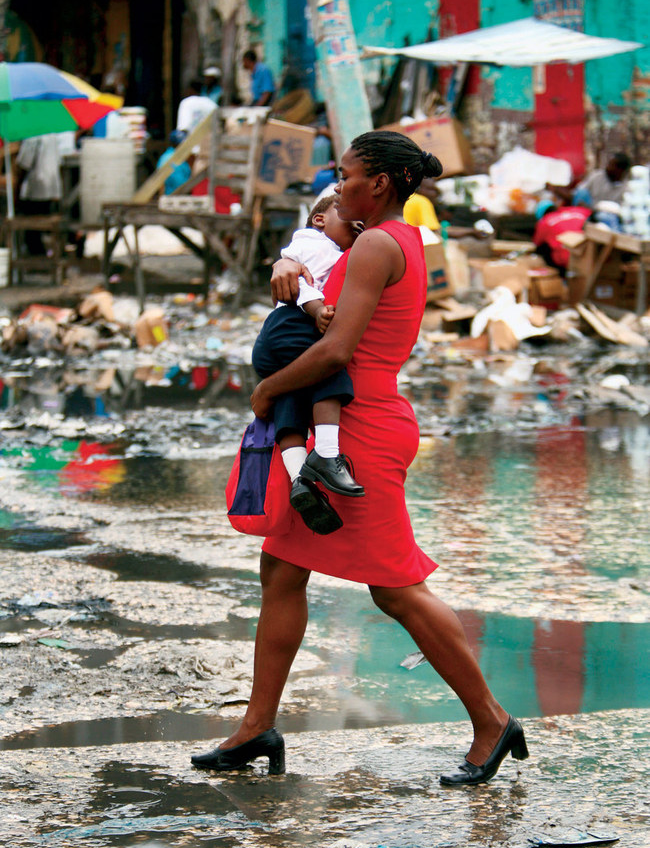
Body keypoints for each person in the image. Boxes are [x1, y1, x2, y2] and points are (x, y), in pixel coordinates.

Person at [191, 130, 529, 786]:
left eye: (346, 175)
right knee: (282, 568)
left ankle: (492, 719)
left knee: (395, 587)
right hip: (347, 419)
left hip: (363, 428)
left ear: (378, 182)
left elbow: (339, 349)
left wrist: (268, 388)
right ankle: (256, 728)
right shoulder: (387, 240)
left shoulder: (379, 243)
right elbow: (316, 274)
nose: (337, 184)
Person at [252, 194, 364, 534]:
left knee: (293, 401)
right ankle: (328, 455)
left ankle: (300, 480)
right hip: (292, 324)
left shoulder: (336, 249)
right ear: (319, 220)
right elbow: (301, 284)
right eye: (349, 220)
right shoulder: (315, 244)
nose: (358, 226)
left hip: (275, 337)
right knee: (328, 370)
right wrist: (317, 310)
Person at [15, 133, 63, 255]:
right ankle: (43, 254)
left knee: (32, 229)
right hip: (51, 187)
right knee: (43, 226)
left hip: (36, 188)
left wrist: (17, 187)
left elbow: (24, 164)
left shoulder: (32, 137)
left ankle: (36, 257)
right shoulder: (52, 135)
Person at [548, 153, 631, 208]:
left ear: (621, 170)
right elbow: (577, 194)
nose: (607, 167)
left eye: (612, 165)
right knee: (582, 193)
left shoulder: (627, 187)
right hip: (589, 211)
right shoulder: (597, 176)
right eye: (608, 164)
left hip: (609, 216)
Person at [533, 200, 591, 274]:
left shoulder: (544, 221)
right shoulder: (578, 211)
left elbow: (537, 243)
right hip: (588, 254)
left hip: (564, 259)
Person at [156, 130, 191, 195]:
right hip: (173, 198)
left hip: (180, 197)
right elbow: (161, 183)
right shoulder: (169, 158)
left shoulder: (181, 157)